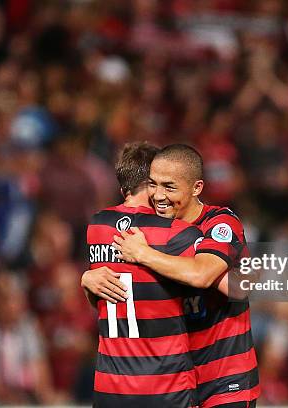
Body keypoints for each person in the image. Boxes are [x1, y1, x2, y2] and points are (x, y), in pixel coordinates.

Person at [85, 144, 260, 408]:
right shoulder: (156, 231)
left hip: (225, 378)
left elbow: (208, 276)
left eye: (169, 187)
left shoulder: (219, 223)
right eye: (153, 185)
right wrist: (87, 282)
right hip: (180, 377)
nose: (158, 195)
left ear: (196, 188)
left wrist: (143, 254)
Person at [85, 141, 204, 408]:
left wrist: (85, 280)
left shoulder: (96, 227)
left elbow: (103, 297)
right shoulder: (178, 234)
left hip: (110, 388)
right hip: (167, 387)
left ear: (122, 187)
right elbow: (229, 284)